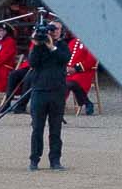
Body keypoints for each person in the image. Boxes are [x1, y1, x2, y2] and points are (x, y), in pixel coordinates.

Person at [25, 23, 68, 170]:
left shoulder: (62, 46)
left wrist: (52, 47)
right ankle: (34, 160)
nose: (53, 32)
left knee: (55, 129)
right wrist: (37, 45)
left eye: (56, 29)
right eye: (51, 29)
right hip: (40, 90)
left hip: (57, 91)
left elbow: (64, 59)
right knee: (37, 128)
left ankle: (55, 160)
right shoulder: (38, 47)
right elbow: (32, 63)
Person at [62, 23, 99, 114]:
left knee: (69, 83)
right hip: (69, 72)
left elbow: (91, 61)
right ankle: (87, 103)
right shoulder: (73, 42)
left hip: (83, 72)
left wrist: (75, 69)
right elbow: (66, 57)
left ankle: (59, 104)